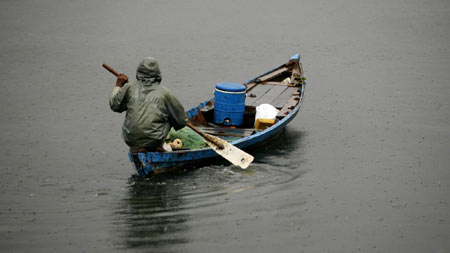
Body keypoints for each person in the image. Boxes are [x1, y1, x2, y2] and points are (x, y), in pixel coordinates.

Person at [109, 57, 188, 153]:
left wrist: (118, 86)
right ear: (157, 73)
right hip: (155, 140)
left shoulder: (129, 88)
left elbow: (114, 105)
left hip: (131, 139)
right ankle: (157, 145)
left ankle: (143, 146)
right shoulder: (165, 93)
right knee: (170, 117)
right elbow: (182, 121)